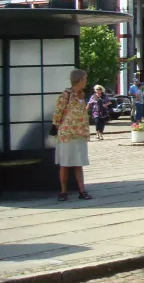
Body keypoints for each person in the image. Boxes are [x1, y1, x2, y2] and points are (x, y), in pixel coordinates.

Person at [52, 69, 93, 202]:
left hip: (80, 133)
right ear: (79, 80)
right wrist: (59, 127)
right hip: (67, 134)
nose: (86, 81)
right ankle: (63, 191)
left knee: (78, 163)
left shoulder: (82, 95)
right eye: (85, 78)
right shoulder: (66, 94)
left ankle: (82, 190)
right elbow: (58, 112)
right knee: (65, 163)